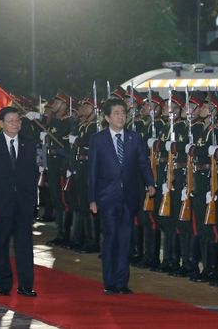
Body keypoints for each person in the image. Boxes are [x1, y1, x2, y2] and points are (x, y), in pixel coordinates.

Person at [88, 98, 155, 295]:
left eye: (123, 112)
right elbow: (92, 171)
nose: (121, 116)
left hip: (129, 197)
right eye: (116, 113)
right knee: (111, 239)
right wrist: (92, 199)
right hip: (106, 198)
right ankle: (109, 282)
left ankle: (122, 282)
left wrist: (150, 183)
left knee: (125, 239)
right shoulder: (98, 140)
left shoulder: (134, 138)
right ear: (107, 117)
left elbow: (143, 163)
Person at [0, 106, 38, 297]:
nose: (15, 124)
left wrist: (32, 201)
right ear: (1, 124)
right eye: (11, 121)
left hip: (23, 204)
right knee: (0, 245)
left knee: (24, 246)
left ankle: (26, 286)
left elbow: (32, 174)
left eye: (18, 120)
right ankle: (4, 285)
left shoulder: (29, 144)